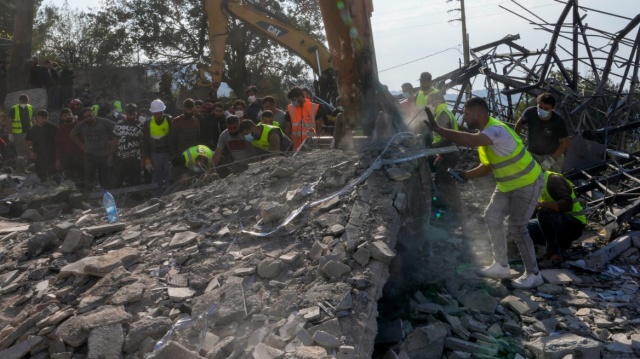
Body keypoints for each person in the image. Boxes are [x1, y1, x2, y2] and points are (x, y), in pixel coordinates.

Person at [425, 97, 544, 289]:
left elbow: (469, 140)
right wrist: (468, 175)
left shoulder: (495, 130)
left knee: (517, 227)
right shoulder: (485, 135)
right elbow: (488, 166)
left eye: (466, 113)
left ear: (478, 114)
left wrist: (439, 130)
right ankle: (501, 266)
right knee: (492, 217)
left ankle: (533, 274)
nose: (463, 117)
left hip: (527, 183)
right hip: (507, 185)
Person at [528, 171, 586, 267]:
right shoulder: (534, 184)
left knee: (544, 213)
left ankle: (554, 255)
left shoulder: (553, 180)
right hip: (557, 222)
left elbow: (566, 205)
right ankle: (560, 245)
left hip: (574, 224)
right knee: (523, 228)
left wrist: (541, 204)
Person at [427, 92, 464, 224]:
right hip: (448, 153)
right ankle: (452, 209)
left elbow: (446, 137)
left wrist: (433, 149)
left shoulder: (442, 114)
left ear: (437, 100)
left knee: (445, 181)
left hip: (448, 153)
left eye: (430, 101)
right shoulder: (445, 111)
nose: (430, 104)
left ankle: (454, 210)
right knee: (443, 179)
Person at [514, 93, 570, 173]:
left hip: (552, 155)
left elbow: (565, 143)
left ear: (552, 108)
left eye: (546, 108)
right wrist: (516, 141)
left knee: (552, 181)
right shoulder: (530, 112)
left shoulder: (558, 121)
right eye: (540, 107)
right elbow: (519, 124)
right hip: (532, 154)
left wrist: (551, 159)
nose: (542, 110)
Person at [70, 108, 116, 190]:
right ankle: (89, 196)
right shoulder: (82, 124)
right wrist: (81, 145)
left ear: (94, 115)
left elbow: (117, 128)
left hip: (103, 154)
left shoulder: (103, 122)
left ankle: (107, 195)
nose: (88, 118)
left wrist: (111, 139)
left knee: (105, 177)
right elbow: (72, 134)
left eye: (90, 115)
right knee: (89, 177)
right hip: (89, 154)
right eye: (85, 117)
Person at [142, 99, 173, 194]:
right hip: (154, 154)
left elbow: (174, 138)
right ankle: (156, 196)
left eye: (160, 113)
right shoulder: (148, 123)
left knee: (169, 176)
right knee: (156, 177)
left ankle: (170, 195)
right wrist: (147, 159)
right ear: (152, 113)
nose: (159, 115)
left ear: (163, 111)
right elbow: (145, 143)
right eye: (156, 113)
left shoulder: (169, 120)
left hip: (168, 153)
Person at [111, 103, 144, 188]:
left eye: (133, 114)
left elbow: (143, 142)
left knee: (136, 181)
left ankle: (136, 198)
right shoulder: (119, 124)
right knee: (116, 180)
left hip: (135, 157)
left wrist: (142, 158)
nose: (132, 116)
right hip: (121, 157)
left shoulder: (140, 125)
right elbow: (115, 140)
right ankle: (116, 198)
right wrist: (111, 155)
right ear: (125, 112)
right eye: (130, 114)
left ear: (136, 113)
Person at [26, 110, 57, 181]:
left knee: (54, 175)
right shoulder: (32, 130)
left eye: (46, 118)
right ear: (37, 118)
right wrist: (31, 153)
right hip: (39, 156)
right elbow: (28, 144)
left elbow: (58, 142)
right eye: (42, 118)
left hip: (52, 155)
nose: (45, 120)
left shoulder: (53, 128)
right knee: (41, 176)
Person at [55, 108, 84, 182]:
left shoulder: (79, 125)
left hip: (80, 154)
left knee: (82, 175)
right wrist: (58, 159)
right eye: (65, 115)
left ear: (72, 115)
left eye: (69, 114)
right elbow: (58, 145)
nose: (67, 116)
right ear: (62, 118)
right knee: (70, 176)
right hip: (67, 156)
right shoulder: (60, 130)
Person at [6, 94, 35, 166]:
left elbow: (33, 120)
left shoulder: (30, 108)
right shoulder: (15, 109)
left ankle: (26, 168)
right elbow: (9, 121)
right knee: (21, 152)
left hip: (28, 133)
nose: (24, 104)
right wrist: (10, 133)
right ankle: (20, 169)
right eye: (24, 102)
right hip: (19, 134)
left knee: (27, 151)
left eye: (25, 102)